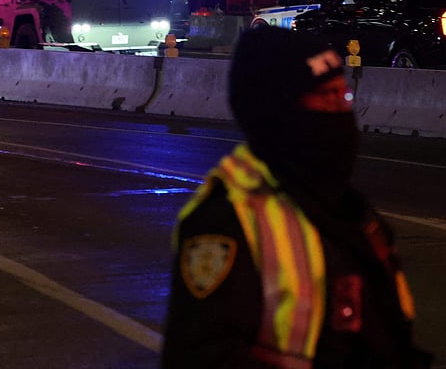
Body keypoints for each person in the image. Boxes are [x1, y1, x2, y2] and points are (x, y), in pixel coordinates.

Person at [162, 27, 432, 368]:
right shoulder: (226, 222)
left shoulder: (352, 213)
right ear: (281, 112)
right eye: (325, 98)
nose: (339, 113)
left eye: (344, 97)